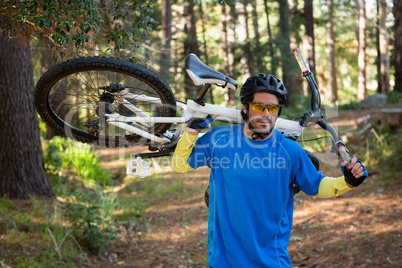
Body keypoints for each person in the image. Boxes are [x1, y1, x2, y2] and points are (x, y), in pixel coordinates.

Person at [171, 73, 368, 268]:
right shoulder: (220, 140)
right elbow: (179, 164)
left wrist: (348, 182)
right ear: (246, 108)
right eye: (259, 106)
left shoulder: (290, 151)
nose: (266, 114)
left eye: (272, 108)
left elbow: (317, 185)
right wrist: (191, 133)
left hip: (270, 262)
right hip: (224, 260)